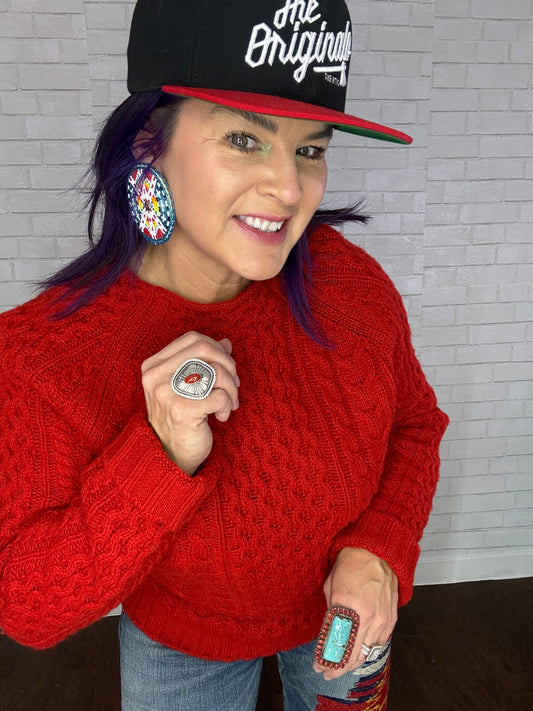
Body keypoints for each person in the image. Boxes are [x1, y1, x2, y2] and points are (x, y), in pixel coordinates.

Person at [0, 1, 449, 709]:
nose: (289, 188)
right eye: (245, 139)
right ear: (148, 142)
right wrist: (158, 452)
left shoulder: (348, 284)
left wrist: (380, 550)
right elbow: (30, 607)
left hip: (345, 617)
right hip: (180, 650)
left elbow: (415, 426)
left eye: (310, 148)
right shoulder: (40, 355)